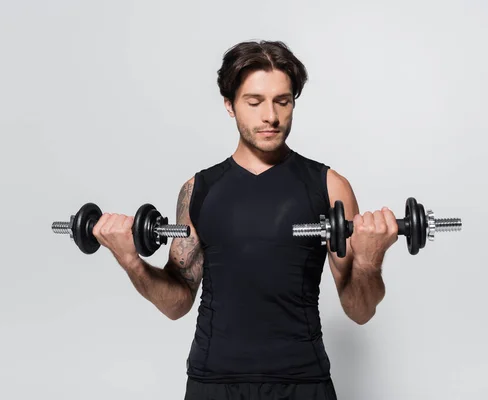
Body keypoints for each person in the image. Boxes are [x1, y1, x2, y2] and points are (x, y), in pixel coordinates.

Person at [92, 40, 400, 400]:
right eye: (254, 103)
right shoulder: (199, 189)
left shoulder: (329, 186)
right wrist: (130, 260)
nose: (270, 116)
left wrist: (369, 260)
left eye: (282, 102)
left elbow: (359, 311)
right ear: (230, 106)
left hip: (303, 382)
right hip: (214, 383)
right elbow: (177, 303)